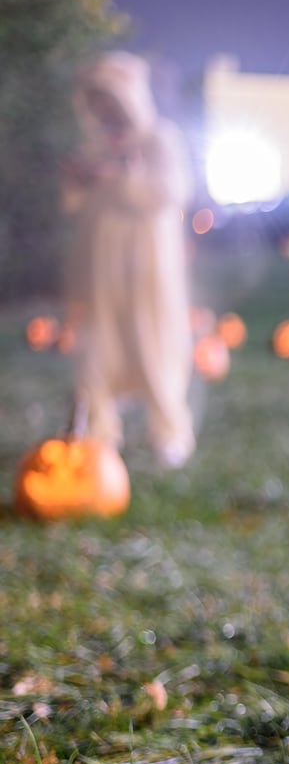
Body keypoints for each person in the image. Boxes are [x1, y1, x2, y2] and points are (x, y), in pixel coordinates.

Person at [62, 51, 195, 468]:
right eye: (96, 100)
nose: (105, 108)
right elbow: (76, 203)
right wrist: (79, 180)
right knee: (97, 345)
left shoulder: (160, 140)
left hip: (148, 261)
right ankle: (99, 429)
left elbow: (171, 192)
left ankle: (169, 430)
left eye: (111, 98)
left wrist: (122, 178)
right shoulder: (94, 147)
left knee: (151, 341)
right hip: (102, 264)